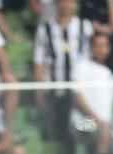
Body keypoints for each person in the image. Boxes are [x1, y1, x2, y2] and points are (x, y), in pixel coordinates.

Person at [32, 0, 94, 142]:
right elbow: (39, 61)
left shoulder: (85, 27)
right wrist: (39, 90)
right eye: (62, 2)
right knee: (56, 129)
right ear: (56, 5)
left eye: (70, 2)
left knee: (85, 126)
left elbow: (90, 59)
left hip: (79, 90)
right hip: (54, 88)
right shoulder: (45, 28)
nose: (66, 5)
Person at [69, 31, 113, 154]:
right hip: (81, 123)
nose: (102, 49)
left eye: (105, 45)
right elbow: (77, 96)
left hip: (102, 124)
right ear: (91, 48)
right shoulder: (82, 66)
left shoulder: (109, 73)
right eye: (98, 45)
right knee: (105, 130)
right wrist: (96, 119)